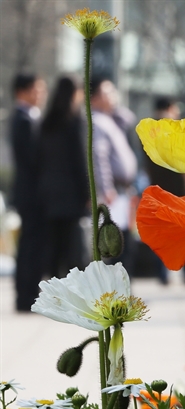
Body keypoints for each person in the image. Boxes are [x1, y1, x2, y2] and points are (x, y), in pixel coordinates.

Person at [37, 75, 89, 279]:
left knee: (53, 245)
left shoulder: (46, 122)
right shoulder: (75, 121)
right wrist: (87, 193)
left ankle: (52, 286)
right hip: (71, 193)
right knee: (72, 248)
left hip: (49, 192)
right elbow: (80, 160)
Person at [144, 97, 185, 284]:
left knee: (161, 234)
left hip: (158, 190)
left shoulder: (146, 130)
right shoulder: (177, 130)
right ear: (171, 108)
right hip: (179, 191)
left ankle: (162, 274)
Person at [9, 73, 47, 312]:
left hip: (30, 192)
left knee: (31, 243)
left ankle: (29, 293)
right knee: (30, 245)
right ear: (22, 92)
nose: (40, 94)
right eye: (37, 89)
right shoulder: (23, 119)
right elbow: (34, 158)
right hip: (31, 193)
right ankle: (26, 296)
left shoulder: (26, 117)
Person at [90, 78, 138, 267]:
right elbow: (99, 157)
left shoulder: (111, 119)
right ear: (93, 98)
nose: (113, 96)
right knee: (118, 244)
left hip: (123, 190)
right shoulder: (97, 121)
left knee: (126, 241)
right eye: (107, 92)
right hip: (113, 192)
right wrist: (106, 187)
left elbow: (129, 118)